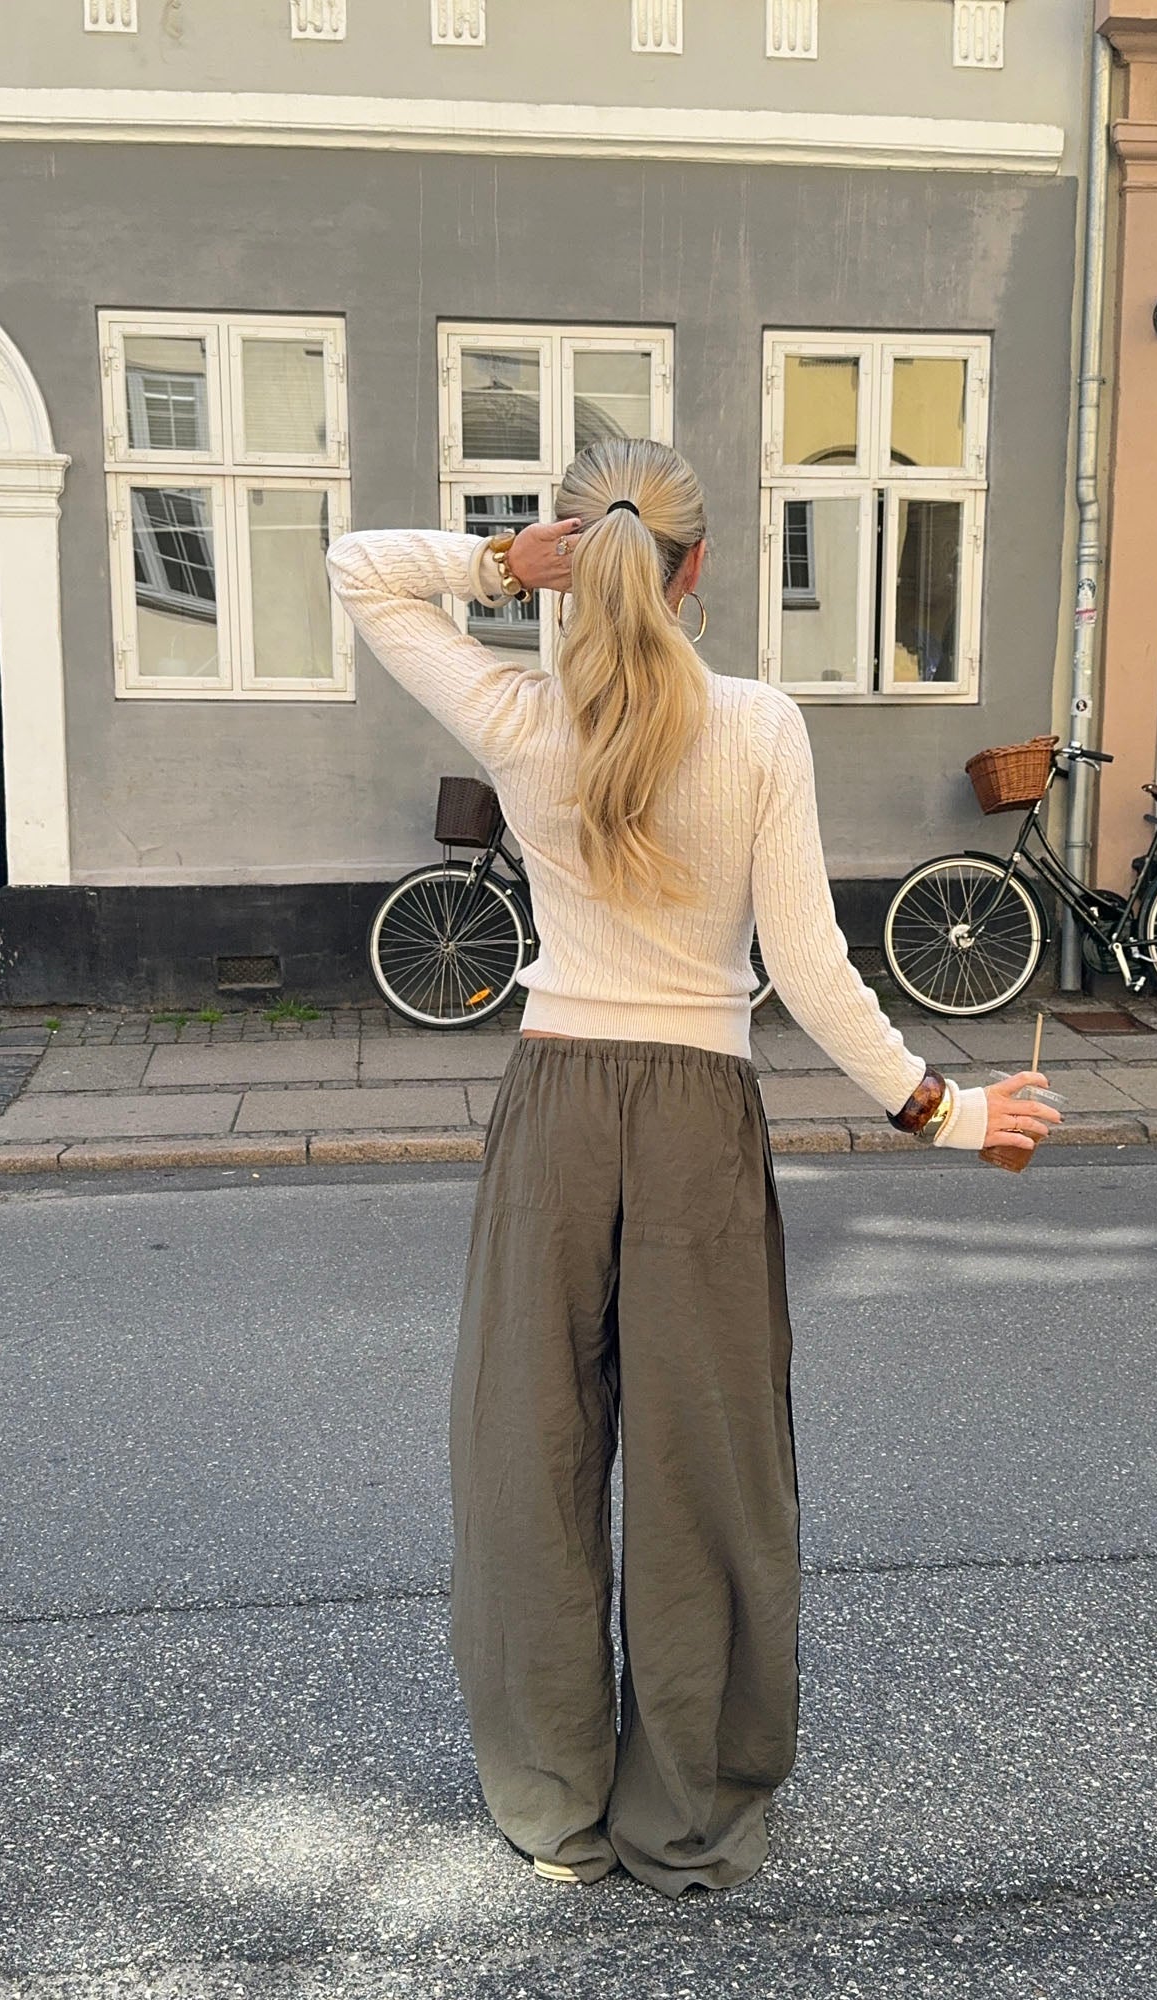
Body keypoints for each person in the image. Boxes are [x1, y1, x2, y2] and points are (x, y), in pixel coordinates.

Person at [324, 438, 1059, 1901]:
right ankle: (685, 1819)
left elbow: (359, 571)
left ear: (575, 562)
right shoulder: (760, 725)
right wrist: (949, 1113)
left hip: (554, 1107)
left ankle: (554, 1808)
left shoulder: (519, 714)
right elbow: (812, 967)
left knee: (530, 1450)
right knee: (703, 1467)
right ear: (699, 568)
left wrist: (498, 563)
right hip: (696, 1118)